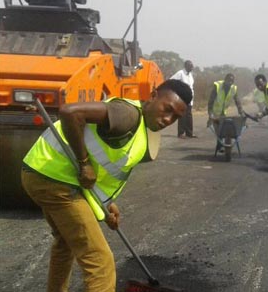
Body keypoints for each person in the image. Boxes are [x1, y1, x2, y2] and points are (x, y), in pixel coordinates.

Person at [21, 80, 192, 292]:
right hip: (54, 179)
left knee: (66, 243)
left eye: (176, 117)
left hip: (47, 174)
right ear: (153, 95)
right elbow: (69, 112)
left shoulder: (140, 129)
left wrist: (106, 204)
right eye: (168, 110)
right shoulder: (126, 114)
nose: (168, 119)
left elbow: (105, 168)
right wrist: (83, 163)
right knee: (100, 261)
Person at [208, 73, 244, 151]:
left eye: (232, 81)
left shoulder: (233, 88)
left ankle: (220, 145)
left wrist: (241, 112)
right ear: (225, 80)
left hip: (223, 111)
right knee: (218, 130)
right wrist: (210, 114)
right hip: (215, 112)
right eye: (229, 81)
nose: (230, 83)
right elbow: (211, 100)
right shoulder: (217, 86)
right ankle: (220, 145)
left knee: (222, 130)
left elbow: (237, 101)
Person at [170, 60, 195, 138]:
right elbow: (171, 81)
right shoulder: (180, 73)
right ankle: (181, 133)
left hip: (189, 99)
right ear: (186, 66)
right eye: (190, 66)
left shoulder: (190, 75)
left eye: (192, 66)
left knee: (189, 116)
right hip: (182, 98)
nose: (192, 67)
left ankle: (189, 133)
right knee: (182, 116)